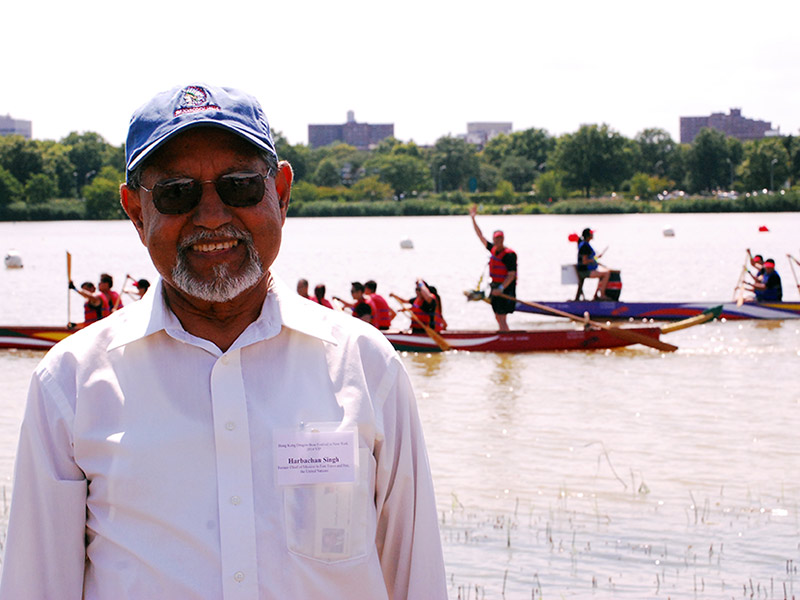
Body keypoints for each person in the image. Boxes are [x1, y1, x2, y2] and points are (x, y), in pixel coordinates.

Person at [0, 83, 446, 600]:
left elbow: (418, 579)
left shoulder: (367, 367)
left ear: (280, 192)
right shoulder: (70, 384)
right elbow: (35, 586)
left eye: (239, 186)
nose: (212, 216)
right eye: (176, 193)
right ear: (135, 212)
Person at [469, 205, 517, 330]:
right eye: (496, 239)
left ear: (503, 239)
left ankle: (505, 339)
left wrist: (501, 288)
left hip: (505, 289)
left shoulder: (509, 255)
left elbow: (511, 275)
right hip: (495, 287)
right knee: (497, 316)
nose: (498, 241)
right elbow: (480, 236)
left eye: (500, 238)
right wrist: (473, 218)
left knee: (502, 317)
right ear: (494, 239)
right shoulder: (493, 249)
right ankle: (504, 333)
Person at [576, 227, 611, 301]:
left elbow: (591, 259)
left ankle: (596, 296)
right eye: (591, 234)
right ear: (588, 236)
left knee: (604, 272)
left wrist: (596, 258)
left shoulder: (585, 244)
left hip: (587, 270)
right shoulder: (584, 246)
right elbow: (584, 261)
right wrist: (595, 259)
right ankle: (602, 295)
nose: (593, 235)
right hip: (585, 272)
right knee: (606, 274)